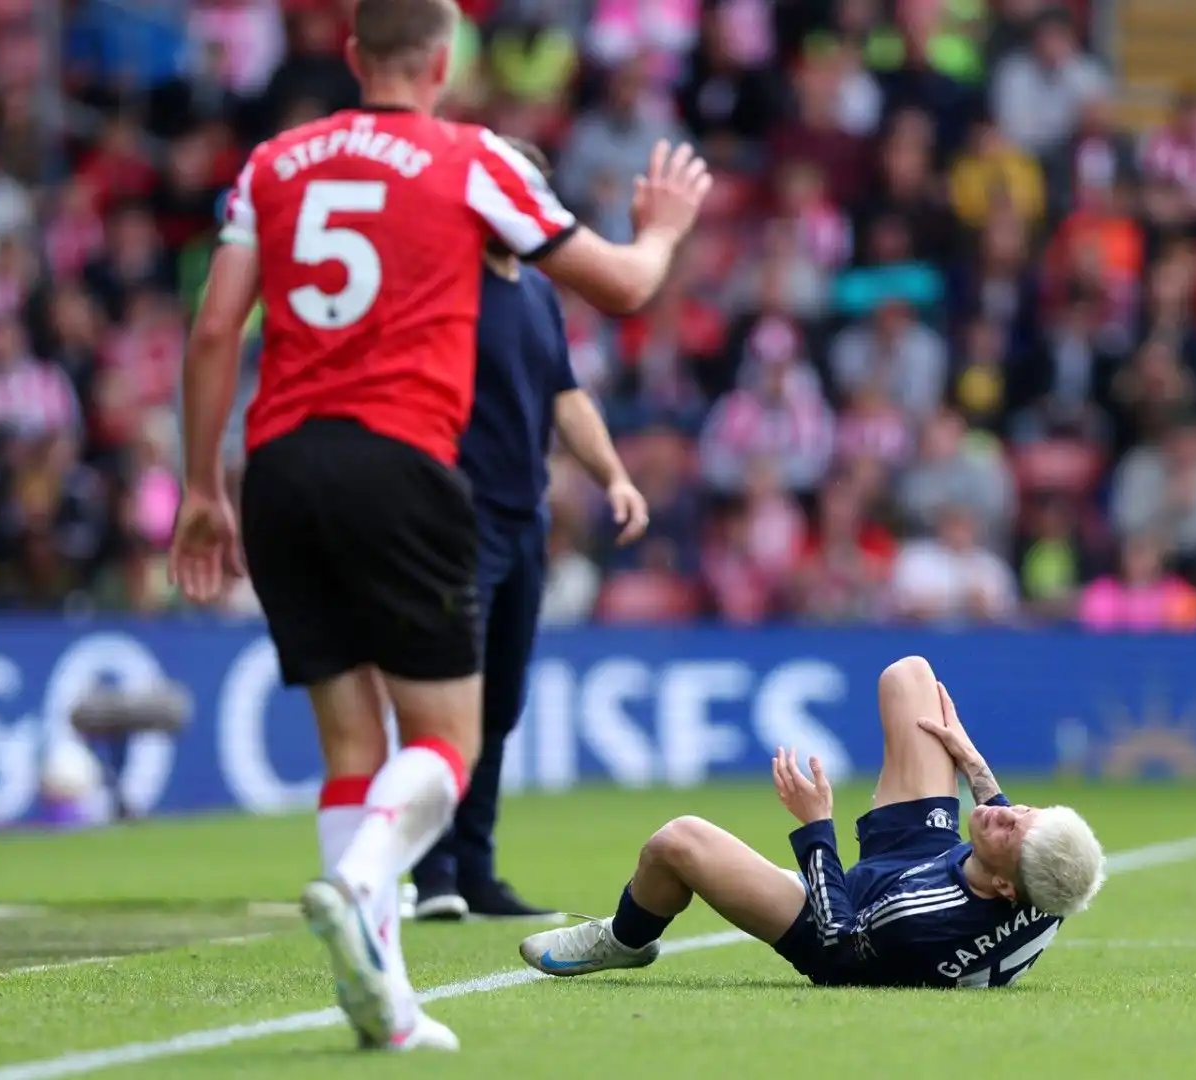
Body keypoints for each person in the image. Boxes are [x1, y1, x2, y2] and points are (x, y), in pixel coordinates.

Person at [170, 0, 712, 1054]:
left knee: (348, 744)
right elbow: (627, 288)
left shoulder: (274, 163)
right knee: (446, 741)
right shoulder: (470, 159)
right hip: (402, 467)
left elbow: (208, 334)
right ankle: (370, 873)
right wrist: (665, 227)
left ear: (350, 51)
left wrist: (202, 487)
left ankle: (386, 999)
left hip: (277, 467)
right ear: (446, 56)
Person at [518, 656, 1106, 989]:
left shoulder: (917, 921)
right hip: (933, 864)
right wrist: (976, 767)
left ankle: (623, 939)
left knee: (678, 841)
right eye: (1025, 810)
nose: (1006, 812)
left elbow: (841, 940)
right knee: (910, 678)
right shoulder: (1053, 883)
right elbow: (1020, 840)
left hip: (851, 926)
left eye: (1009, 826)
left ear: (1006, 887)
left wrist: (816, 828)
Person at [411, 138, 650, 921]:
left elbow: (564, 396)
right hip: (455, 516)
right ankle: (432, 868)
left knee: (501, 701)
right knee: (448, 693)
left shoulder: (538, 294)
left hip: (523, 518)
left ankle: (473, 866)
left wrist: (613, 474)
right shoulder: (446, 287)